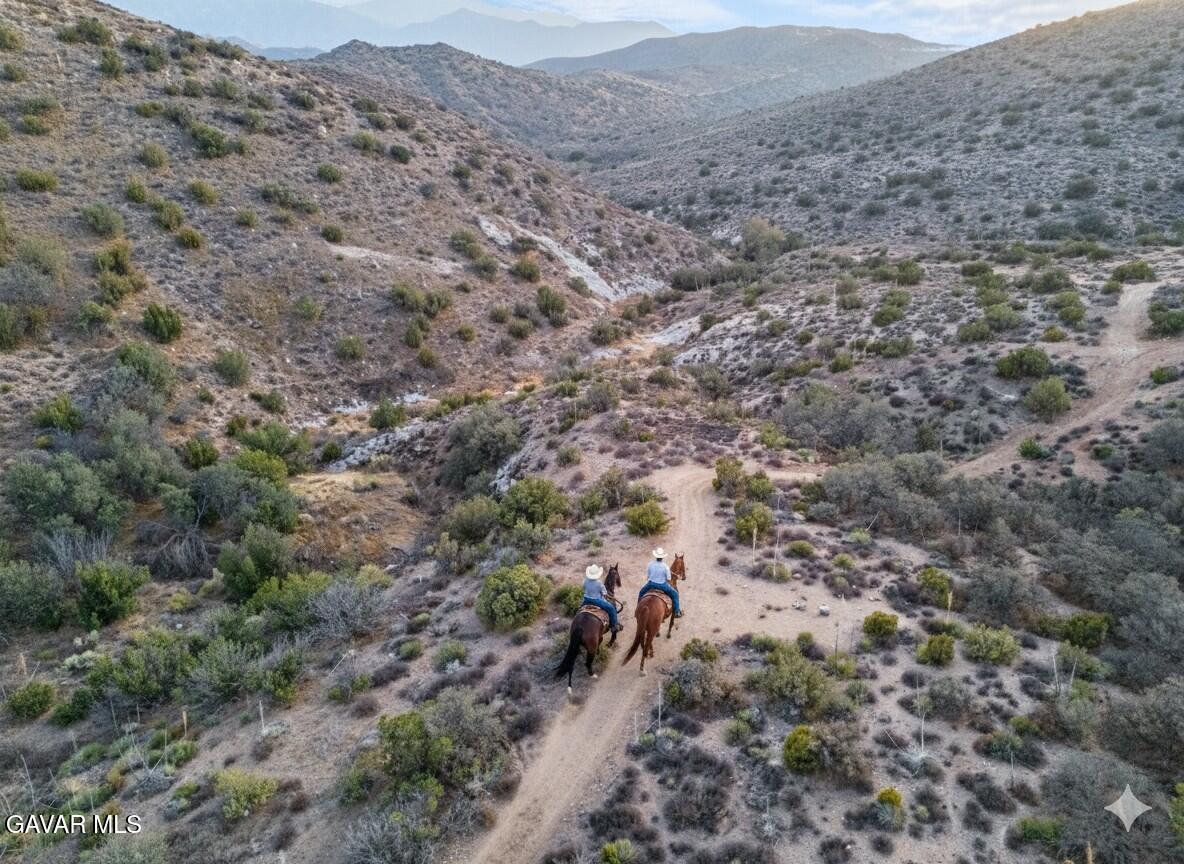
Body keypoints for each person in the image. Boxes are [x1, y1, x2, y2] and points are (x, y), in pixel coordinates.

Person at [638, 547, 681, 617]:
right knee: (675, 594)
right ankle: (677, 611)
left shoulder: (650, 564)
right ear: (662, 557)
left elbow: (648, 576)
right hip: (662, 585)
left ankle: (638, 607)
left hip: (651, 584)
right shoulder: (665, 566)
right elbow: (668, 579)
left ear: (656, 556)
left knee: (641, 592)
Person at [581, 564, 620, 633]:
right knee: (611, 609)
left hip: (586, 600)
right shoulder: (599, 583)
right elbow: (605, 594)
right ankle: (614, 626)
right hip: (597, 601)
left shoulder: (585, 581)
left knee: (579, 610)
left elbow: (583, 588)